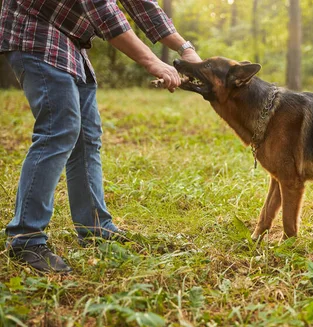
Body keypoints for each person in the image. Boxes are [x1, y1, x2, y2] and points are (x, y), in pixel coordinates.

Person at [0, 0, 201, 274]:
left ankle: (95, 227)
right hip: (35, 29)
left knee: (86, 136)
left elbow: (143, 4)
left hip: (69, 39)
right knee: (59, 128)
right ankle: (25, 238)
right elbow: (104, 12)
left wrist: (184, 48)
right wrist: (153, 61)